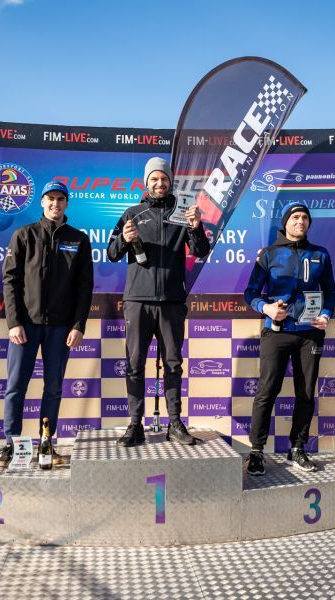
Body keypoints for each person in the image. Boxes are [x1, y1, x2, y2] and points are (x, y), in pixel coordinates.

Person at [106, 157, 210, 446]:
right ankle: (135, 425)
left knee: (173, 364)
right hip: (137, 300)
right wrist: (124, 239)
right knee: (134, 363)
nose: (159, 183)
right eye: (154, 178)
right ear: (146, 182)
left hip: (172, 301)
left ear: (170, 181)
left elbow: (201, 250)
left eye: (164, 178)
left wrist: (196, 227)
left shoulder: (183, 212)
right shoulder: (132, 213)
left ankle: (175, 423)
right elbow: (112, 253)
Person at [0, 180, 93, 468]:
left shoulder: (78, 239)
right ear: (42, 202)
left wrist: (78, 325)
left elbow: (85, 287)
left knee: (53, 389)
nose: (55, 204)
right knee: (16, 386)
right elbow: (10, 281)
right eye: (50, 198)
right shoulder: (24, 235)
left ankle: (46, 444)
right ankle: (11, 444)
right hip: (25, 326)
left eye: (60, 199)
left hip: (61, 328)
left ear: (67, 203)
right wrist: (14, 322)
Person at [242, 201, 335, 475]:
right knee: (267, 391)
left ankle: (297, 448)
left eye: (305, 217)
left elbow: (330, 292)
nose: (300, 221)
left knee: (305, 394)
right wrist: (267, 308)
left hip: (310, 334)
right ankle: (256, 451)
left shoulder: (320, 254)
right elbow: (250, 293)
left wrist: (326, 315)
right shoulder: (269, 254)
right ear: (285, 223)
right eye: (295, 217)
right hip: (277, 331)